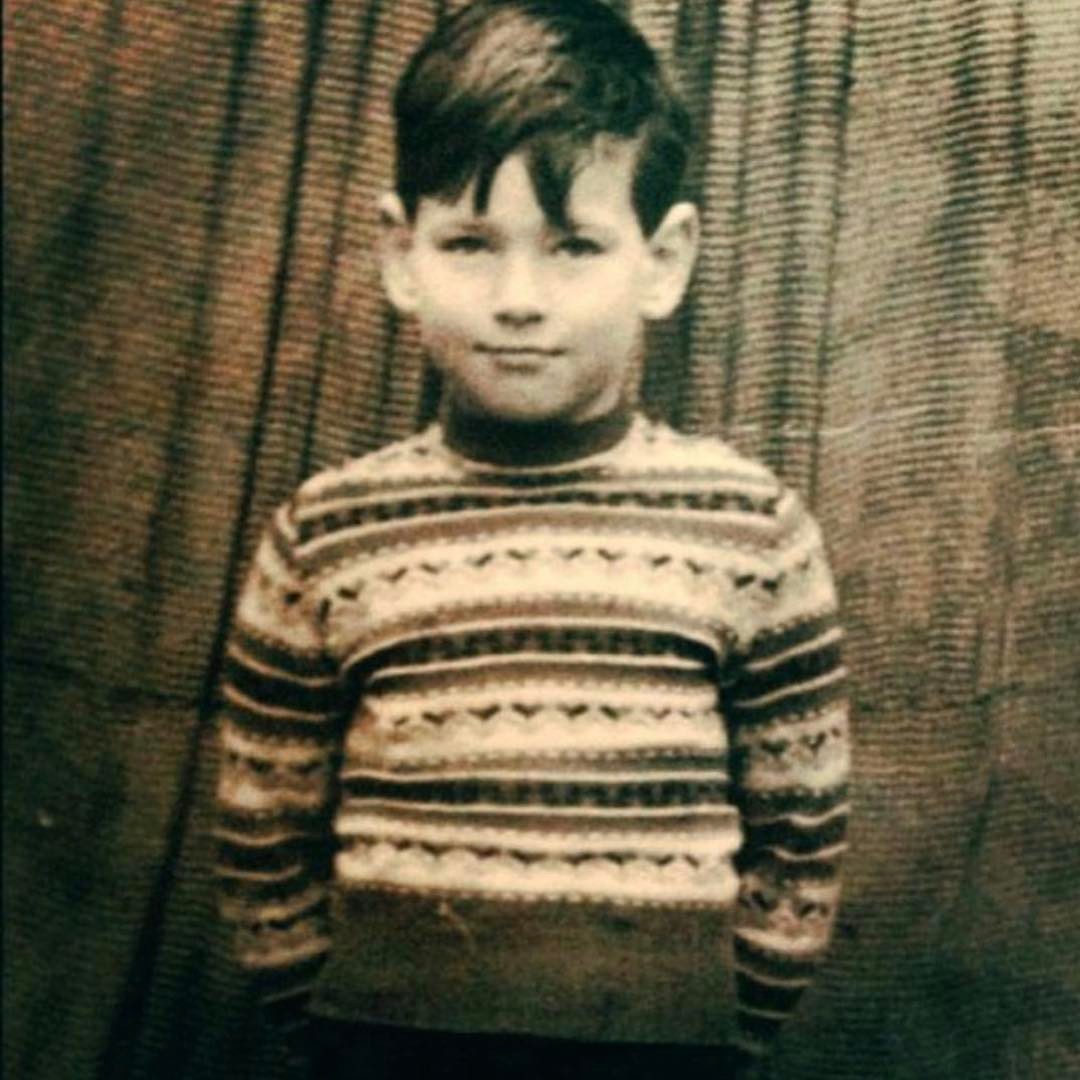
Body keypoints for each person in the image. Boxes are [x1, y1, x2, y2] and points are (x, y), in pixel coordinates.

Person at [214, 2, 850, 1077]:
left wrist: (717, 1039)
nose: (518, 300)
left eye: (574, 247)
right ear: (401, 254)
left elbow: (801, 837)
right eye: (470, 244)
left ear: (663, 260)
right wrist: (332, 1038)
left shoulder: (751, 531)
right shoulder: (325, 536)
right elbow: (263, 834)